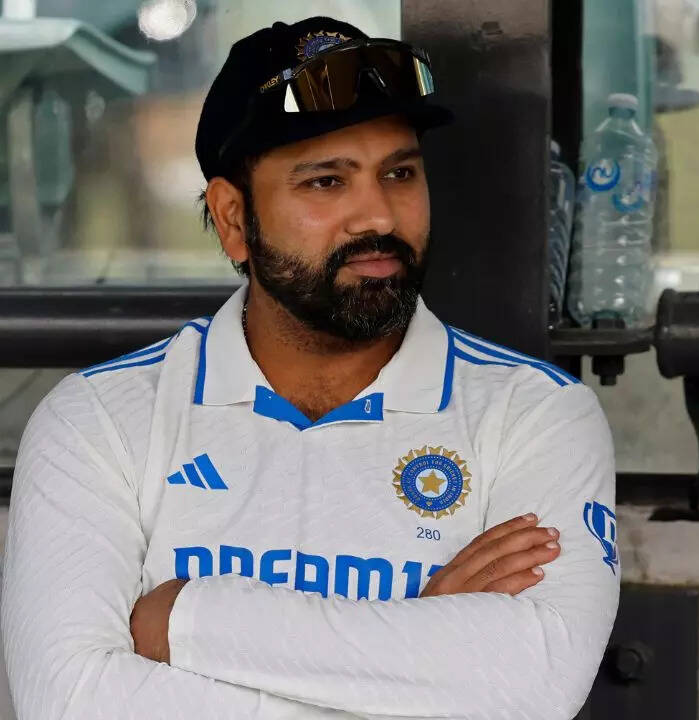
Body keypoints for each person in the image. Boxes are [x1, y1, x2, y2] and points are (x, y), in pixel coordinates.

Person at [1, 16, 619, 719]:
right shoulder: (99, 421)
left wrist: (184, 620)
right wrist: (418, 648)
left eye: (400, 173)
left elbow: (535, 683)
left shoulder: (536, 414)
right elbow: (72, 702)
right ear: (232, 219)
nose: (377, 217)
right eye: (326, 181)